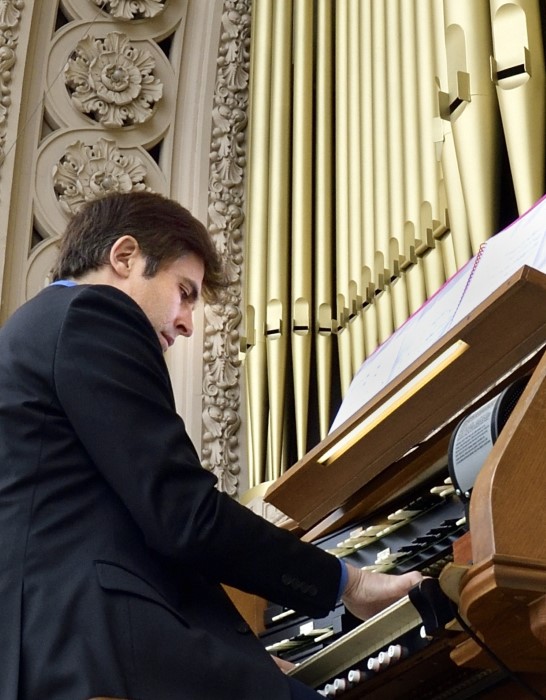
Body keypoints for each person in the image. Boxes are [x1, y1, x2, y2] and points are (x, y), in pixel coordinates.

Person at [0, 191, 422, 700]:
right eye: (184, 291)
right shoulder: (94, 314)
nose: (186, 322)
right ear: (125, 256)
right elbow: (185, 517)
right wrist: (347, 583)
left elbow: (123, 528)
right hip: (103, 655)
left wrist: (237, 651)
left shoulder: (33, 329)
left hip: (56, 653)